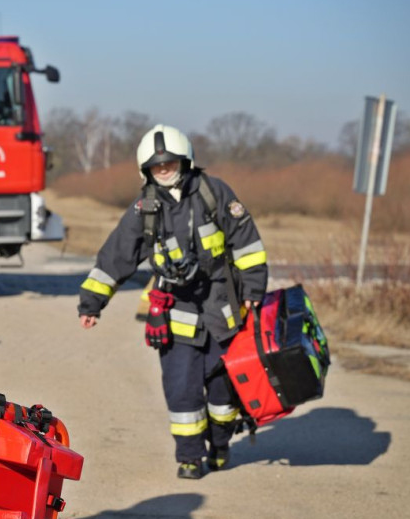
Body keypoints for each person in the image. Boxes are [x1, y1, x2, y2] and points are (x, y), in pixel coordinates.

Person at [77, 124, 268, 479]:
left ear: (186, 161)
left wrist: (254, 292)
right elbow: (116, 256)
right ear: (146, 171)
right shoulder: (144, 208)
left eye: (170, 163)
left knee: (223, 394)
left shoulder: (215, 192)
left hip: (222, 308)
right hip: (174, 313)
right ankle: (190, 458)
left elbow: (247, 244)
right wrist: (91, 304)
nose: (163, 170)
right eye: (156, 166)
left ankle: (222, 443)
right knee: (181, 391)